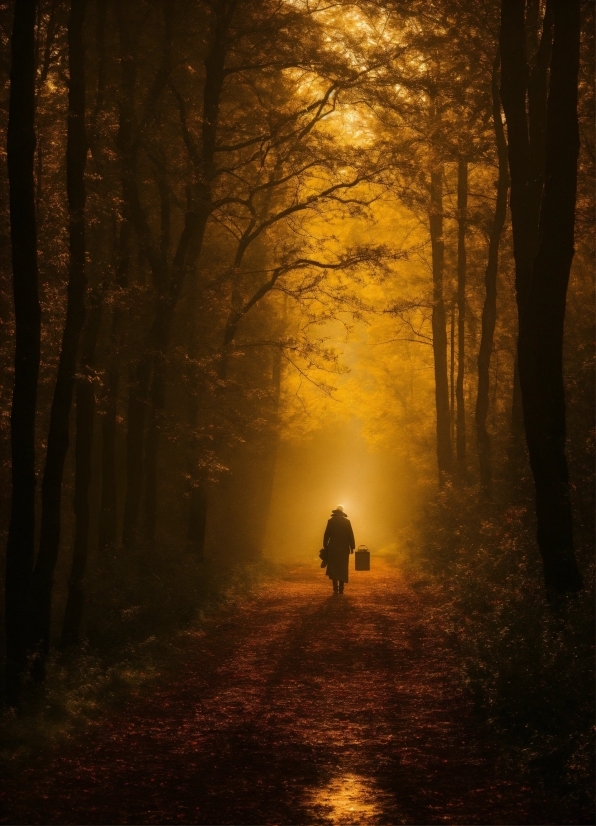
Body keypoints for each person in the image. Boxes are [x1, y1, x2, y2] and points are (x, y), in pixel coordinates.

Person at [323, 505, 355, 594]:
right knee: (342, 567)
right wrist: (352, 547)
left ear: (335, 512)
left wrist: (325, 546)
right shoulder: (347, 522)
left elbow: (327, 535)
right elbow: (350, 535)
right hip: (344, 548)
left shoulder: (330, 521)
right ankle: (341, 587)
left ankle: (335, 588)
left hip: (333, 547)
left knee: (333, 567)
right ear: (342, 512)